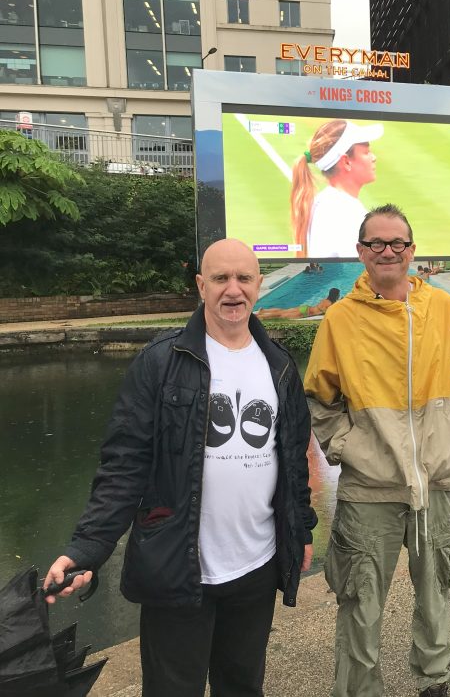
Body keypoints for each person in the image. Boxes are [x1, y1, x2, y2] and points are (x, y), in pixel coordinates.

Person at [44, 238, 317, 697]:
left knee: (243, 686)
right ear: (200, 286)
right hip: (178, 567)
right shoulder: (160, 362)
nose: (233, 290)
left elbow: (292, 460)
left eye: (244, 278)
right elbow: (124, 465)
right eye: (220, 279)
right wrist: (89, 547)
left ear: (259, 285)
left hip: (255, 568)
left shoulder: (280, 366)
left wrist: (302, 529)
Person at [303, 204, 450, 697]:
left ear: (412, 250)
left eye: (397, 243)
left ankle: (434, 680)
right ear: (361, 252)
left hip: (437, 481)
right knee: (360, 599)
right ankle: (360, 690)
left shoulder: (443, 309)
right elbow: (320, 399)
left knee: (436, 591)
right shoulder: (339, 319)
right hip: (370, 487)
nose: (388, 251)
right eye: (377, 243)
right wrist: (348, 447)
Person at [290, 119, 383, 259]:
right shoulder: (345, 213)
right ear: (346, 162)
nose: (373, 157)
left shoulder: (325, 203)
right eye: (366, 152)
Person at [255, 286, 340, 319]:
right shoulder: (330, 304)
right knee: (282, 315)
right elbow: (329, 313)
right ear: (335, 295)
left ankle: (264, 311)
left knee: (283, 311)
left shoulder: (325, 300)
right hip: (305, 312)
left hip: (305, 308)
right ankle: (261, 316)